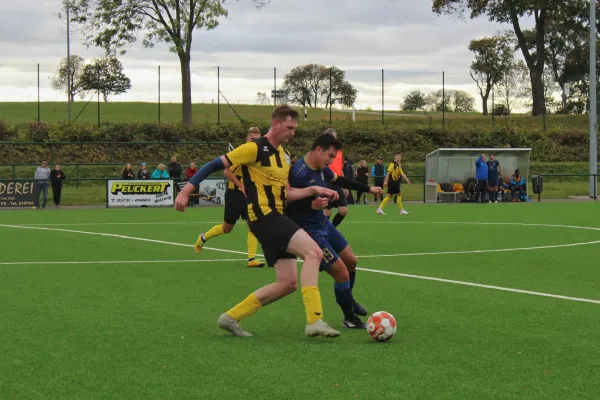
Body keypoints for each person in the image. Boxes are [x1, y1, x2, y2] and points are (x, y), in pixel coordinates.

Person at [175, 105, 341, 338]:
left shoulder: (283, 157)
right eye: (289, 127)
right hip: (264, 217)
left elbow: (287, 193)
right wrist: (185, 192)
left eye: (295, 128)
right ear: (275, 124)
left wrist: (313, 190)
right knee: (314, 253)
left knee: (288, 283)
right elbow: (214, 165)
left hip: (274, 218)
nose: (293, 132)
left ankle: (231, 317)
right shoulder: (254, 148)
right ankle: (315, 319)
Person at [288, 133, 384, 328]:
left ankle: (347, 300)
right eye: (330, 156)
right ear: (318, 150)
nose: (332, 160)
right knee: (341, 272)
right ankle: (349, 316)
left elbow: (339, 180)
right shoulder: (298, 173)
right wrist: (311, 205)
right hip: (309, 232)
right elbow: (287, 203)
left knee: (351, 261)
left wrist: (368, 189)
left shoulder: (322, 169)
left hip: (324, 224)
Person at [193, 127, 267, 269]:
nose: (255, 142)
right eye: (253, 139)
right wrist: (241, 186)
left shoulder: (259, 155)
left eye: (258, 140)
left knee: (253, 226)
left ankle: (251, 259)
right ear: (247, 139)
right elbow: (227, 172)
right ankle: (203, 237)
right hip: (234, 195)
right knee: (227, 228)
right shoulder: (240, 153)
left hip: (249, 196)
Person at [322, 128, 348, 227]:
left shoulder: (339, 152)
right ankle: (324, 232)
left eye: (335, 137)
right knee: (327, 210)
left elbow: (340, 168)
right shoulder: (323, 150)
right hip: (326, 182)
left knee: (343, 210)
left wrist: (344, 184)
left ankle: (331, 229)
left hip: (337, 182)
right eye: (333, 137)